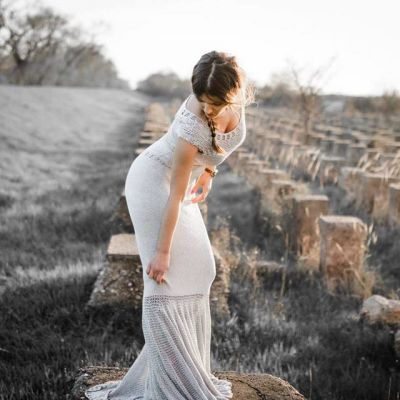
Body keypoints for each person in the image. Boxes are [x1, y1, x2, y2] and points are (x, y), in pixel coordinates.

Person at [85, 50, 255, 400]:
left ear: (234, 94)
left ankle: (187, 367)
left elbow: (217, 149)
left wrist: (208, 172)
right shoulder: (193, 121)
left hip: (179, 186)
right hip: (152, 182)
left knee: (204, 269)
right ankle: (169, 383)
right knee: (162, 280)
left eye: (216, 104)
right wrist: (161, 252)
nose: (208, 110)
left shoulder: (237, 110)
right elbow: (174, 195)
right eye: (203, 102)